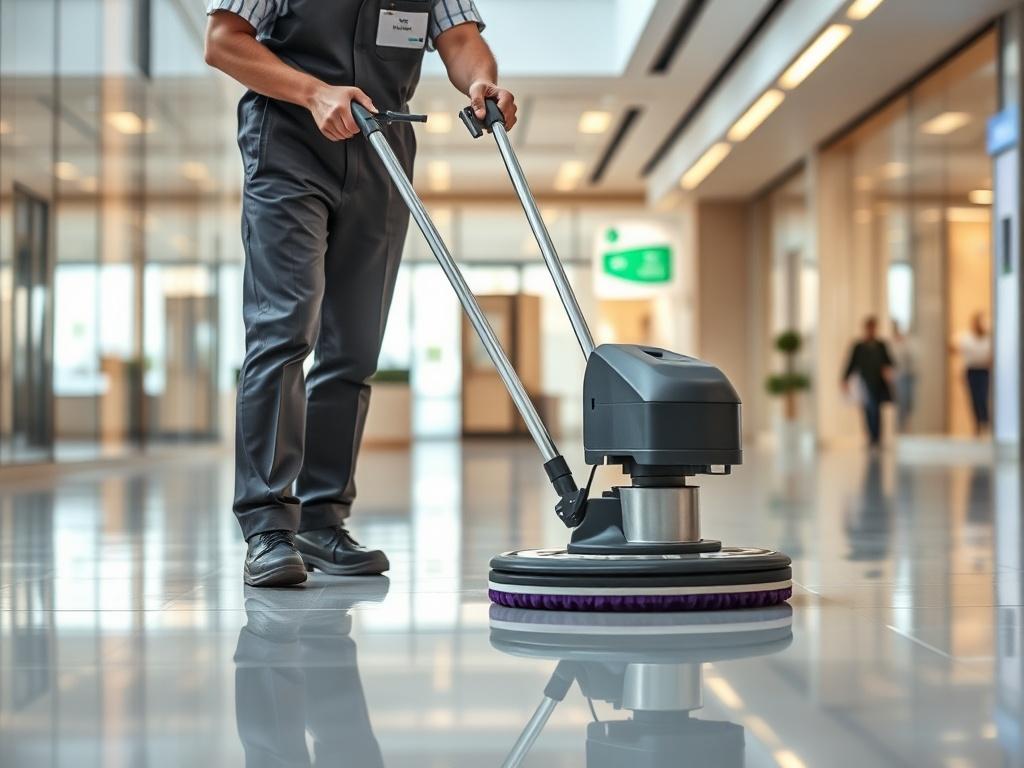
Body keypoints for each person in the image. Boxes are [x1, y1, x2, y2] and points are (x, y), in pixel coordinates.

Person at [204, 1, 517, 587]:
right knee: (284, 325)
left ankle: (322, 521)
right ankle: (268, 523)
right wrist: (312, 91)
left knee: (354, 347)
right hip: (289, 147)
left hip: (382, 154)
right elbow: (223, 41)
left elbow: (460, 40)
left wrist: (481, 81)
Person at [842, 316, 894, 448]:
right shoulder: (859, 346)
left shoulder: (881, 345)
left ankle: (877, 438)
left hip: (878, 382)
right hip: (864, 382)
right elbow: (851, 363)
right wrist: (845, 379)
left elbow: (889, 361)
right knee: (866, 410)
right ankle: (871, 437)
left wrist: (887, 372)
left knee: (876, 409)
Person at [954, 312, 992, 435]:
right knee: (974, 398)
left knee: (983, 397)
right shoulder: (966, 337)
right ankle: (977, 424)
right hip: (971, 371)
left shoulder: (988, 339)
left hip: (984, 371)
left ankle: (985, 422)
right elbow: (954, 348)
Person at [889, 320, 915, 432]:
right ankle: (899, 428)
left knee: (907, 404)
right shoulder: (890, 344)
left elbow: (911, 359)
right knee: (900, 403)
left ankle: (904, 426)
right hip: (897, 377)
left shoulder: (906, 342)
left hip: (907, 375)